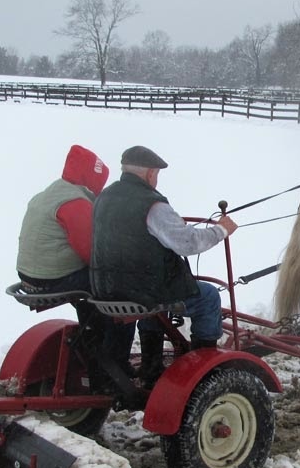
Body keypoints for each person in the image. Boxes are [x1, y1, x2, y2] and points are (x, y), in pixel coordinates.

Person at [90, 145, 238, 385]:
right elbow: (187, 243)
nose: (156, 180)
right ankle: (203, 370)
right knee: (208, 297)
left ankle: (151, 365)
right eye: (156, 174)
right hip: (141, 289)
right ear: (150, 174)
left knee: (154, 296)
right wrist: (221, 230)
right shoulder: (152, 204)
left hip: (107, 286)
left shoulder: (104, 197)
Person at [16, 144, 135, 371]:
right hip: (51, 277)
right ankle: (116, 363)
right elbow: (93, 254)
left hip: (31, 273)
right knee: (125, 292)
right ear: (91, 177)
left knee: (98, 295)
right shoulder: (75, 203)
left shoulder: (51, 193)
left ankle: (94, 337)